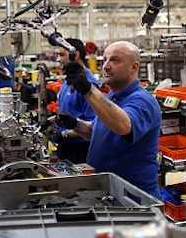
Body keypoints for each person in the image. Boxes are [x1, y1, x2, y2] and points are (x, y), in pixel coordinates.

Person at [56, 41, 161, 199]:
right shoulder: (112, 97)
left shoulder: (142, 100)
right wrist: (75, 124)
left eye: (115, 60)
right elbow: (100, 132)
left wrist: (87, 89)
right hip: (110, 192)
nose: (105, 66)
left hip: (134, 199)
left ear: (134, 67)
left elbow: (123, 126)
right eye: (105, 59)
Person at [45, 39, 99, 164]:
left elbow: (93, 126)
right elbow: (69, 112)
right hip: (67, 146)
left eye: (62, 54)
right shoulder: (68, 80)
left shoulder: (88, 84)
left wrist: (64, 134)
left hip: (80, 150)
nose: (58, 59)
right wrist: (47, 122)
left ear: (76, 54)